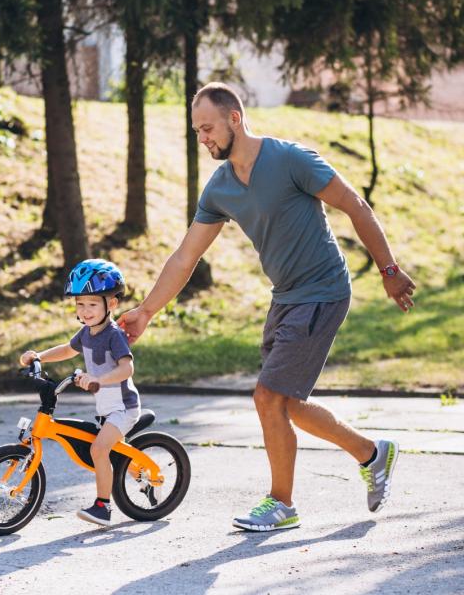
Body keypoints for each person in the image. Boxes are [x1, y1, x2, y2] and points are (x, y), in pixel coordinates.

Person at [118, 82, 415, 532]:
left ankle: (282, 503)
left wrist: (389, 271)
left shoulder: (290, 159)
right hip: (286, 297)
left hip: (323, 290)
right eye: (198, 131)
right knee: (286, 404)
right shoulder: (220, 188)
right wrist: (146, 310)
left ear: (235, 119)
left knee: (268, 397)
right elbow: (185, 256)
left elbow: (354, 204)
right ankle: (372, 454)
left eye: (209, 128)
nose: (204, 139)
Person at [20, 259, 141, 527]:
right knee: (100, 448)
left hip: (124, 407)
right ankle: (123, 474)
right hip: (106, 408)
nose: (85, 311)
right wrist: (39, 356)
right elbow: (67, 349)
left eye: (92, 304)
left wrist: (99, 378)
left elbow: (127, 368)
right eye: (80, 304)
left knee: (99, 450)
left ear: (111, 304)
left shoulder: (113, 335)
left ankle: (103, 507)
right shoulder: (87, 333)